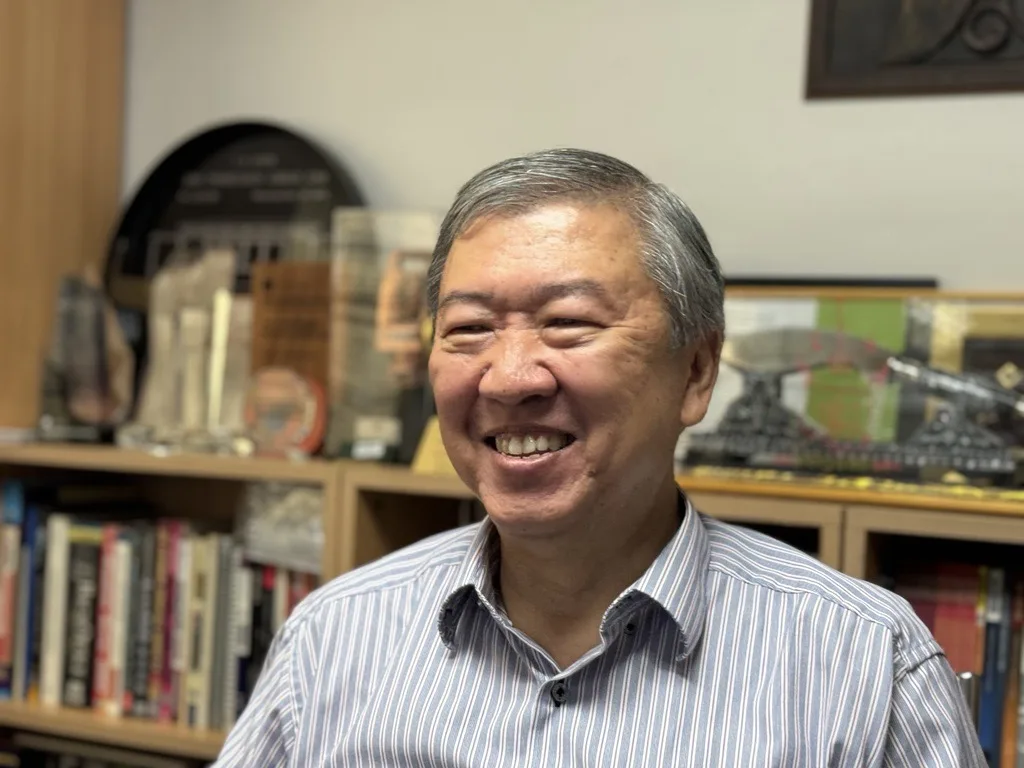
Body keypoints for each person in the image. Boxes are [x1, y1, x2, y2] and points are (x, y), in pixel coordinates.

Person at [212, 148, 985, 766]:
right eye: (470, 329)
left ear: (696, 372)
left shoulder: (864, 663)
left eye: (569, 323)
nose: (510, 377)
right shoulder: (335, 636)